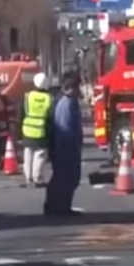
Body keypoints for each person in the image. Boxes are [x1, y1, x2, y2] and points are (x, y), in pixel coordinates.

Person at [44, 74, 83, 216]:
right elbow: (65, 129)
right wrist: (72, 147)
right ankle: (58, 207)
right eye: (77, 87)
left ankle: (60, 206)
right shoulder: (65, 105)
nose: (79, 90)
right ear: (70, 88)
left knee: (66, 177)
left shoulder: (70, 103)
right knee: (65, 177)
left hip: (67, 147)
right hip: (65, 148)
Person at [21, 73, 52, 187]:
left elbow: (21, 113)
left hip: (27, 129)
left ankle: (28, 178)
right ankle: (37, 178)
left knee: (28, 153)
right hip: (41, 130)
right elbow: (51, 117)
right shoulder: (49, 98)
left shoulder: (27, 96)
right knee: (40, 154)